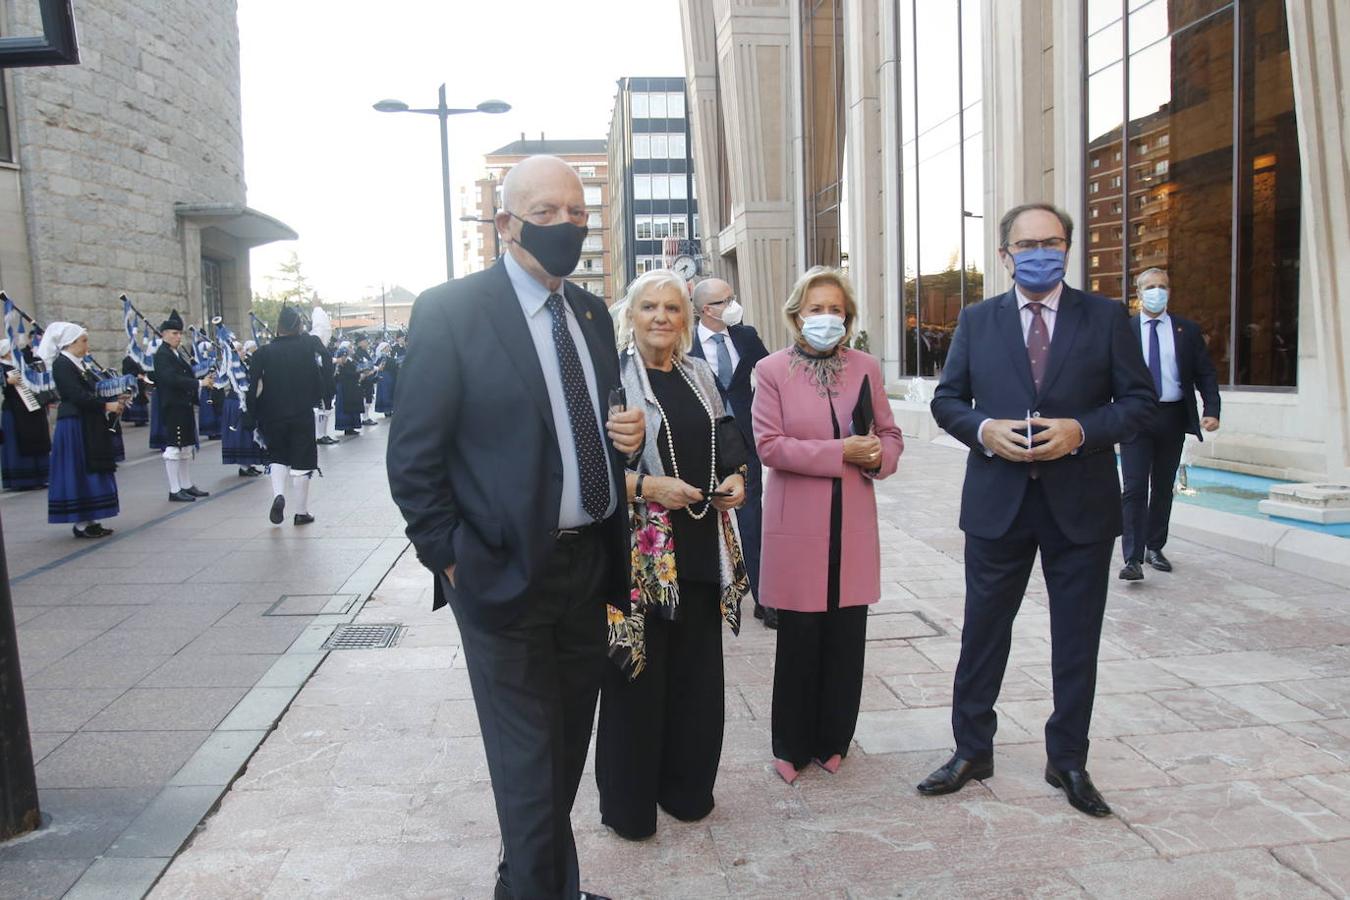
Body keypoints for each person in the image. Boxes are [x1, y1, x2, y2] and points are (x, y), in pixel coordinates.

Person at [386, 155, 644, 900]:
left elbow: (582, 422)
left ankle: (531, 884)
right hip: (501, 572)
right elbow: (413, 456)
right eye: (548, 211)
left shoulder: (592, 313)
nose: (567, 224)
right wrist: (451, 559)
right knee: (528, 763)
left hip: (587, 563)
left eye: (577, 211)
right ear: (506, 222)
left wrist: (619, 434)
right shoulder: (453, 311)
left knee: (562, 752)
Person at [919, 203, 1155, 817]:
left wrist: (1081, 429)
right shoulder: (978, 319)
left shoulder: (1105, 317)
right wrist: (982, 429)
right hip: (999, 503)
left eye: (1052, 242)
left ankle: (1068, 760)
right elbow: (947, 400)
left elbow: (1139, 404)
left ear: (1068, 249)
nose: (1040, 252)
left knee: (1076, 639)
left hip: (1081, 506)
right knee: (982, 633)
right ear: (1005, 255)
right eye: (1027, 244)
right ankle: (972, 750)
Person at [595, 269, 750, 840]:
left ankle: (687, 791)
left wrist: (737, 476)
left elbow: (728, 436)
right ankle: (631, 806)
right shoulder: (612, 379)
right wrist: (647, 489)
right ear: (630, 317)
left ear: (688, 319)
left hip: (702, 541)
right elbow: (592, 470)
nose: (661, 317)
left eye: (673, 308)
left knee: (695, 676)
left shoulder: (700, 374)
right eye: (649, 308)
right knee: (637, 674)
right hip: (641, 555)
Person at [752, 267, 903, 784]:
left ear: (849, 316)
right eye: (815, 309)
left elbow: (890, 434)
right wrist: (841, 451)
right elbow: (769, 446)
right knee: (800, 639)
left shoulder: (865, 367)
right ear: (796, 315)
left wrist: (880, 455)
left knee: (846, 638)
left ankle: (834, 739)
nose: (826, 317)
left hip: (853, 523)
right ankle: (789, 745)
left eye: (835, 309)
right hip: (798, 525)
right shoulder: (772, 370)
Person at [1119, 267, 1220, 580]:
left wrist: (1212, 408)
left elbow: (1205, 372)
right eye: (1150, 286)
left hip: (1173, 416)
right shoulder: (1124, 330)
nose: (1157, 291)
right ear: (1138, 293)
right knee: (1134, 487)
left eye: (1162, 286)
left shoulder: (1186, 330)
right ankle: (1132, 559)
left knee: (1163, 486)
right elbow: (1106, 373)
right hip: (1137, 417)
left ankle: (1154, 547)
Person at [688, 277, 773, 628]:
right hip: (699, 445)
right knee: (701, 518)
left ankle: (765, 597)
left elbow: (772, 376)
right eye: (726, 300)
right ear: (707, 309)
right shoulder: (684, 342)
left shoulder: (745, 336)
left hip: (744, 443)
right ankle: (704, 595)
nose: (733, 305)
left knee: (752, 519)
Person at [40, 323, 122, 538]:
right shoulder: (62, 364)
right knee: (80, 469)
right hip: (75, 423)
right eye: (83, 340)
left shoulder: (78, 364)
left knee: (91, 467)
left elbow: (92, 389)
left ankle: (92, 517)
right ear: (71, 343)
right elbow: (75, 394)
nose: (87, 345)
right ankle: (81, 522)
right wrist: (105, 406)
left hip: (87, 421)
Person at [246, 305, 324, 526]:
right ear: (298, 326)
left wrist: (251, 414)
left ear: (278, 329)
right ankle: (301, 512)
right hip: (301, 413)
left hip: (272, 415)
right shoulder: (306, 348)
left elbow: (253, 388)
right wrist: (320, 396)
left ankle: (278, 494)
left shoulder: (262, 353)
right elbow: (318, 376)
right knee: (302, 461)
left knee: (277, 456)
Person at [154, 310, 213, 502]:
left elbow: (185, 374)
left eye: (179, 333)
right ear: (164, 334)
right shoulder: (162, 355)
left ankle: (186, 484)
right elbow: (171, 379)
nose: (178, 336)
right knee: (174, 447)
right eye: (174, 333)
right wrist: (198, 384)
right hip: (173, 406)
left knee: (186, 447)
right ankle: (174, 489)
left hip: (183, 405)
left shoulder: (175, 353)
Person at [1, 338, 51, 490]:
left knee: (36, 437)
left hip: (31, 408)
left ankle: (40, 476)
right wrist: (7, 380)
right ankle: (22, 479)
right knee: (18, 441)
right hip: (14, 409)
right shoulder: (2, 366)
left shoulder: (22, 365)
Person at [220, 342, 265, 478]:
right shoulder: (229, 367)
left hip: (244, 402)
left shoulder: (244, 365)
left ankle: (249, 464)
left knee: (248, 433)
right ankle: (243, 465)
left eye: (242, 349)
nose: (243, 351)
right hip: (236, 403)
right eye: (238, 350)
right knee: (241, 434)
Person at [333, 345, 363, 436]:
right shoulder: (338, 366)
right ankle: (346, 427)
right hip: (343, 390)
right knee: (344, 408)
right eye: (343, 356)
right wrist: (357, 374)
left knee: (352, 407)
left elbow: (355, 370)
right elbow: (344, 375)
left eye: (345, 356)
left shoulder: (350, 363)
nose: (344, 358)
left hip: (351, 389)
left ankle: (352, 427)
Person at [197, 341, 224, 440]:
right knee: (209, 412)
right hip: (207, 389)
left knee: (219, 409)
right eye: (208, 350)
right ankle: (210, 431)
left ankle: (219, 430)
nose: (210, 351)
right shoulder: (201, 363)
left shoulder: (215, 361)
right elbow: (197, 374)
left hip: (217, 387)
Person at [120, 353, 150, 426]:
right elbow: (125, 372)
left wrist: (143, 373)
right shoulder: (127, 360)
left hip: (140, 383)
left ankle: (142, 419)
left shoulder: (138, 358)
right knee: (135, 401)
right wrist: (136, 375)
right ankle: (136, 419)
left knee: (141, 400)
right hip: (133, 383)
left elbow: (143, 369)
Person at [374, 341, 398, 418]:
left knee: (389, 392)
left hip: (390, 375)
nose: (389, 348)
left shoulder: (387, 356)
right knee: (385, 393)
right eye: (387, 347)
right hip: (385, 376)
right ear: (384, 348)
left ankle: (390, 409)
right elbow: (382, 367)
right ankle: (387, 410)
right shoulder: (382, 357)